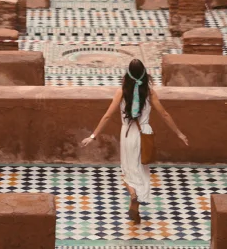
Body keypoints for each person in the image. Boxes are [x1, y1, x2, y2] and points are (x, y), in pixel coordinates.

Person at [81, 57, 189, 223]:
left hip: (128, 134)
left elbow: (108, 115)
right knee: (142, 170)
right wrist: (179, 133)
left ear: (128, 74)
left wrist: (92, 136)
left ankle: (132, 194)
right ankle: (136, 204)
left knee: (128, 170)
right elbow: (165, 114)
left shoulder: (121, 91)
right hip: (144, 133)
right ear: (145, 74)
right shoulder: (150, 92)